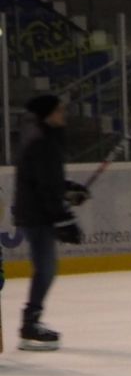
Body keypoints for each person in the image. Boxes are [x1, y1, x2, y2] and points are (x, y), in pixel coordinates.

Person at [8, 94, 88, 351]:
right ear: (49, 114)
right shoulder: (42, 142)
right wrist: (63, 219)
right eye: (59, 110)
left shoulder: (43, 138)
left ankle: (31, 321)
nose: (63, 114)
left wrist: (69, 189)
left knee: (46, 269)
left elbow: (48, 180)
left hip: (36, 213)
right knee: (45, 269)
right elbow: (44, 186)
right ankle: (30, 324)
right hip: (37, 216)